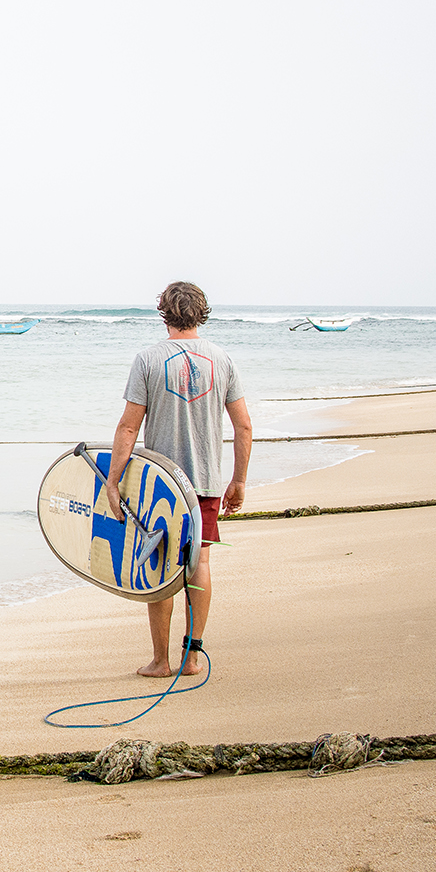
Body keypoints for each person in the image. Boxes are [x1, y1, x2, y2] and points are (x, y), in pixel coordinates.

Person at [105, 281, 253, 677]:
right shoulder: (222, 359)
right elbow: (244, 427)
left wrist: (112, 482)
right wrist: (238, 480)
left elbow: (128, 427)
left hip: (160, 484)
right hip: (204, 482)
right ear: (200, 312)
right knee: (198, 562)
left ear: (164, 313)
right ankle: (191, 657)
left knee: (160, 567)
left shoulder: (148, 359)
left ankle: (161, 660)